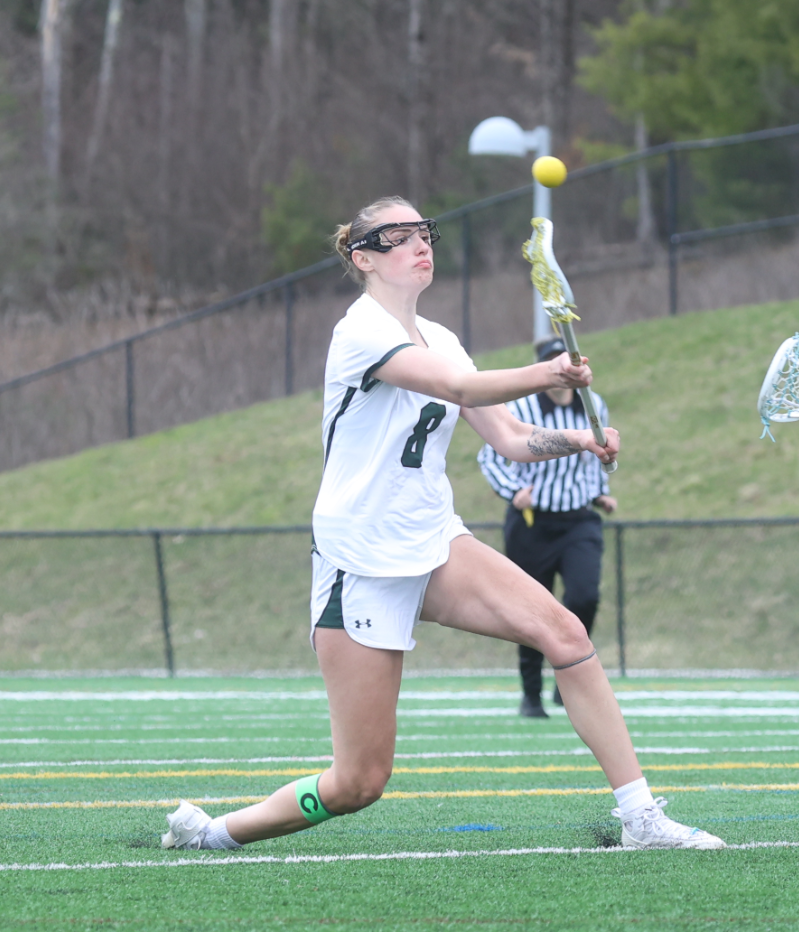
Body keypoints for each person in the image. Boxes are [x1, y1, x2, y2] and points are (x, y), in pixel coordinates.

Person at [159, 196, 722, 852]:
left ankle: (643, 818)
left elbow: (508, 436)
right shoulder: (360, 331)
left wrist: (578, 441)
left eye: (424, 231)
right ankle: (217, 832)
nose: (419, 242)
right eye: (397, 235)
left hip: (434, 540)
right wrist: (547, 371)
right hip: (362, 558)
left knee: (564, 631)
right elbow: (460, 390)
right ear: (362, 256)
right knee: (358, 781)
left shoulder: (446, 339)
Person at [477, 337, 617, 718]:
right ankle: (531, 694)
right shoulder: (520, 408)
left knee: (584, 596)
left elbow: (595, 456)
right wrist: (512, 491)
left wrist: (600, 493)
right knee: (530, 612)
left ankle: (567, 677)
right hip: (532, 524)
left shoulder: (593, 404)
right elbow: (488, 456)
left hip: (578, 520)